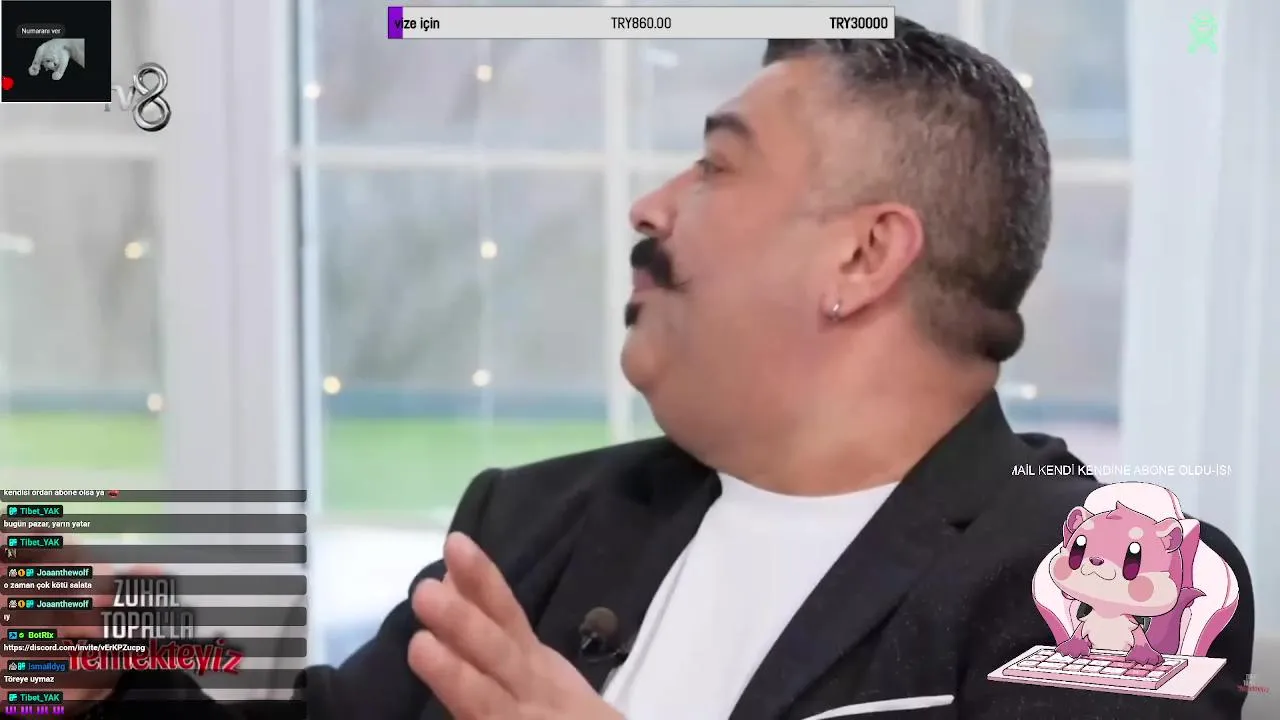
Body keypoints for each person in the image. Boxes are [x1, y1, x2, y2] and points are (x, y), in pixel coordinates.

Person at [59, 18, 1254, 720]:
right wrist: (99, 676)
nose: (651, 204)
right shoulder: (530, 523)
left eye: (716, 166)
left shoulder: (1125, 583)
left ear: (861, 255)